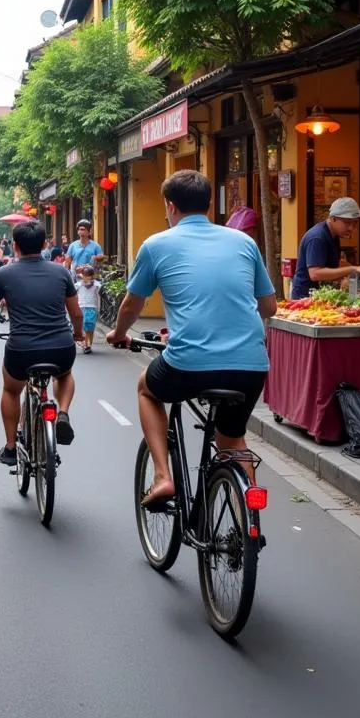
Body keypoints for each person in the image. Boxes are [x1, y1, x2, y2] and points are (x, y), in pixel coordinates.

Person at [106, 170, 277, 508]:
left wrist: (119, 334)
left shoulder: (156, 245)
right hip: (251, 365)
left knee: (146, 387)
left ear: (170, 206)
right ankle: (249, 509)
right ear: (210, 204)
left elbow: (132, 304)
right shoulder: (243, 242)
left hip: (189, 364)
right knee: (232, 439)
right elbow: (268, 306)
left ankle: (162, 476)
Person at [0, 220, 83, 465]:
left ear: (15, 246)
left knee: (11, 390)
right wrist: (78, 334)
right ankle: (62, 412)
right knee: (64, 375)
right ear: (45, 244)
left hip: (21, 349)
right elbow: (76, 314)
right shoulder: (61, 272)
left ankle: (11, 447)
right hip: (61, 346)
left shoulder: (4, 274)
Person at [290, 197, 360, 299]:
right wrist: (352, 269)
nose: (351, 228)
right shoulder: (318, 237)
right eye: (347, 223)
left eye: (354, 223)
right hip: (305, 297)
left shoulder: (333, 234)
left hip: (320, 295)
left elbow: (332, 263)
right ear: (333, 219)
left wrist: (357, 270)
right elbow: (315, 273)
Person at [75, 265, 101, 354]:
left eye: (88, 275)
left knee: (90, 327)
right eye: (85, 275)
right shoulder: (78, 285)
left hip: (92, 307)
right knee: (85, 325)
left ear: (92, 276)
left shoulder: (96, 286)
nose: (86, 277)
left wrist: (98, 309)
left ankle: (89, 344)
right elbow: (74, 297)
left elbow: (98, 297)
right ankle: (86, 345)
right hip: (81, 307)